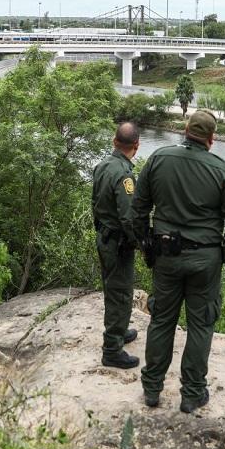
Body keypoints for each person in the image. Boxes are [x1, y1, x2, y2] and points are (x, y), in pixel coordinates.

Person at [133, 109, 225, 413]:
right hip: (205, 262)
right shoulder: (222, 170)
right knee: (201, 325)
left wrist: (145, 244)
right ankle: (192, 394)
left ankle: (152, 389)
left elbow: (138, 208)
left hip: (166, 258)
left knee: (161, 320)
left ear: (185, 130)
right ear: (212, 139)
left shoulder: (158, 158)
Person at [92, 122, 141, 369]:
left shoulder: (102, 166)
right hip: (118, 243)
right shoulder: (124, 174)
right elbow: (128, 218)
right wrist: (140, 243)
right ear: (136, 146)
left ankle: (119, 332)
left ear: (114, 142)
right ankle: (112, 349)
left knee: (114, 289)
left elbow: (95, 203)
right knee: (120, 293)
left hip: (104, 237)